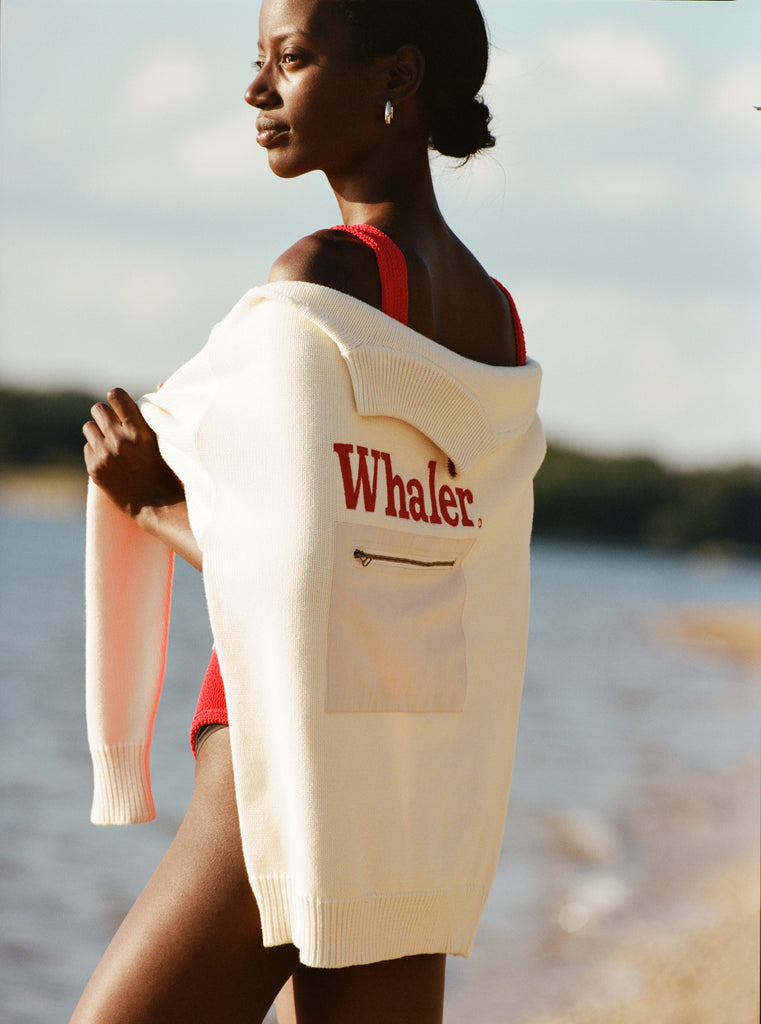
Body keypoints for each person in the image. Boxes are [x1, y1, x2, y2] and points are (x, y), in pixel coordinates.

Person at [73, 1, 544, 1021]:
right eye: (258, 63)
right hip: (406, 789)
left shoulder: (326, 275)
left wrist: (150, 497)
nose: (256, 91)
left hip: (275, 772)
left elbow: (294, 562)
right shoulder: (494, 318)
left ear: (397, 74)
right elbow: (428, 564)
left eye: (290, 60)